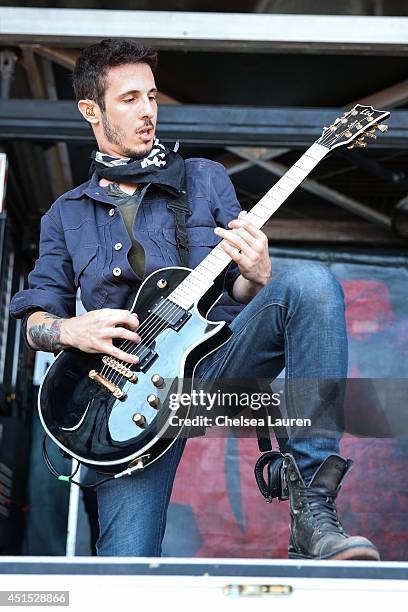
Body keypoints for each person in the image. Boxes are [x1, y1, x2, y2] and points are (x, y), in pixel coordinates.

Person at [10, 39, 379, 561]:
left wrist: (256, 275)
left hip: (211, 365)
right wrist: (69, 330)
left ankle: (313, 511)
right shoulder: (64, 215)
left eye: (153, 97)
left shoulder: (203, 179)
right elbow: (33, 318)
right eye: (130, 99)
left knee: (309, 284)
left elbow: (236, 289)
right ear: (91, 110)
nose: (148, 112)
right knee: (125, 567)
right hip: (125, 400)